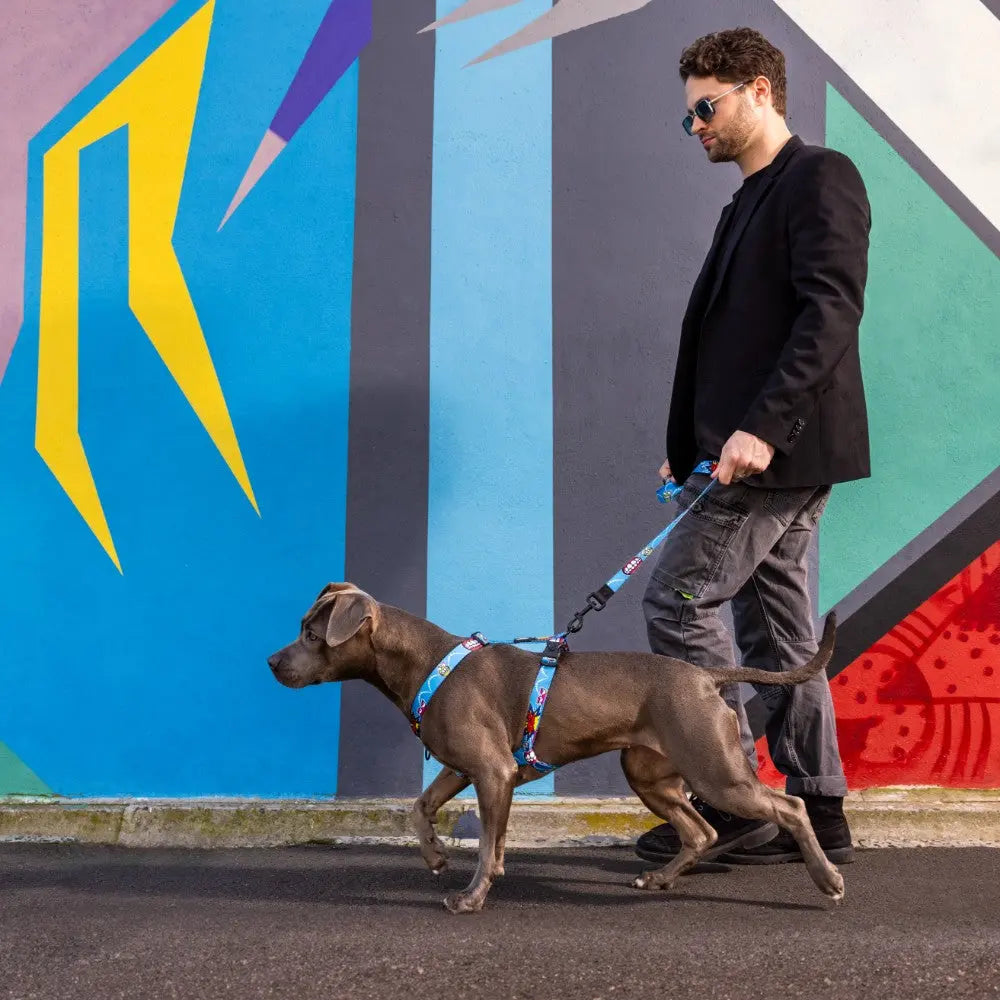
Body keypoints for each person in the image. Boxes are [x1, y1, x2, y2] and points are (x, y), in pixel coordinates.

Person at [637, 27, 871, 866]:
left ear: (760, 91)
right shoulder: (750, 198)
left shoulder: (819, 178)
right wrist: (692, 444)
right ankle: (820, 811)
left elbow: (829, 313)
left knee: (676, 602)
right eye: (689, 115)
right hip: (749, 451)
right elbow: (728, 341)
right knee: (779, 637)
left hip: (783, 449)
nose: (696, 125)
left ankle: (729, 795)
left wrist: (761, 428)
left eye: (707, 106)